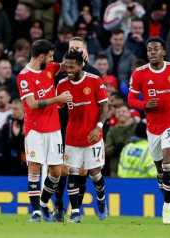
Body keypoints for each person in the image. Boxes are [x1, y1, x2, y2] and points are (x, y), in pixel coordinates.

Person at [128, 37, 170, 224]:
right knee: (159, 169)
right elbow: (131, 100)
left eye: (156, 49)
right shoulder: (139, 74)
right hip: (153, 126)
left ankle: (165, 207)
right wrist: (144, 104)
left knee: (167, 158)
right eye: (149, 50)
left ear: (163, 52)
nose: (152, 53)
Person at [16, 39, 72, 222]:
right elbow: (32, 104)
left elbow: (67, 66)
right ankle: (35, 212)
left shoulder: (50, 68)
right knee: (34, 168)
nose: (52, 59)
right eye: (49, 56)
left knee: (56, 172)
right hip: (34, 130)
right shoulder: (24, 77)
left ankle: (42, 202)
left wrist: (78, 55)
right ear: (41, 57)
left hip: (53, 129)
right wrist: (58, 99)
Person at [57, 50, 109, 223]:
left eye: (72, 66)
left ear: (81, 65)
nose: (69, 69)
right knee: (72, 172)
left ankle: (101, 197)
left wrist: (98, 127)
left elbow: (104, 108)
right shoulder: (62, 84)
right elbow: (57, 110)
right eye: (66, 66)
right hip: (72, 137)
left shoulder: (94, 81)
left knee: (95, 173)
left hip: (92, 137)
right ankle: (76, 212)